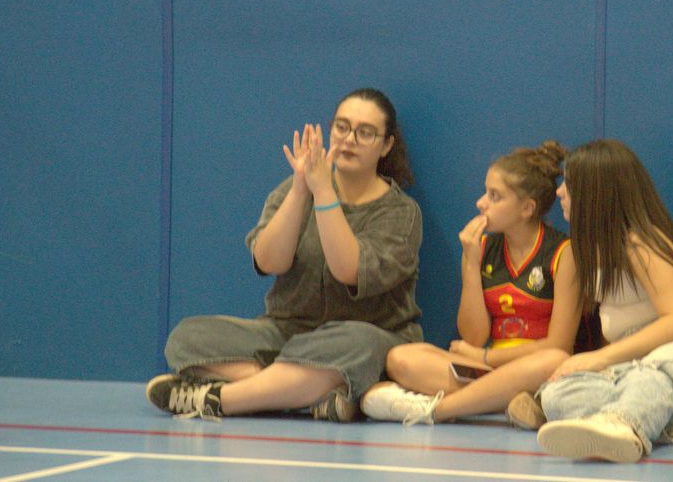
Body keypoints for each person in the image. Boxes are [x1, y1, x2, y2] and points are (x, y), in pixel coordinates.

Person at [145, 88, 422, 422]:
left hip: (363, 336)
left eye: (365, 132)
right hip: (288, 333)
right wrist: (301, 189)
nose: (350, 139)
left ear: (386, 145)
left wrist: (324, 192)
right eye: (342, 127)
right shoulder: (294, 189)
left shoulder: (400, 212)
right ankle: (310, 391)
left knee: (356, 344)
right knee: (187, 338)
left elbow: (348, 269)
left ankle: (220, 399)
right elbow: (269, 261)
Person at [531, 139, 673, 463]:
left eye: (569, 185)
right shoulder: (594, 252)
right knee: (557, 395)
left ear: (595, 193)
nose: (560, 192)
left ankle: (622, 425)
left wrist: (600, 358)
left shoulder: (641, 241)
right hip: (645, 361)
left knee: (652, 374)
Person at [360, 141, 582, 425]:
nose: (481, 203)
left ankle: (434, 409)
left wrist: (485, 357)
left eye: (495, 196)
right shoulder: (483, 247)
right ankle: (505, 400)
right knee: (401, 358)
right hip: (486, 367)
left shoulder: (563, 253)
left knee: (553, 360)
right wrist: (471, 265)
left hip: (535, 370)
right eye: (485, 192)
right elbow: (473, 336)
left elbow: (559, 345)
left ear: (526, 208)